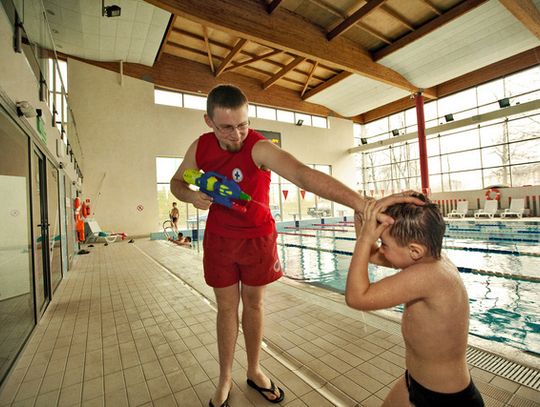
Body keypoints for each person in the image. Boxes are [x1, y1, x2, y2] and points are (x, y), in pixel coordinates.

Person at [170, 84, 422, 407]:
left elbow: (303, 175)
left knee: (255, 305)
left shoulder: (257, 147)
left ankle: (254, 369)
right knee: (226, 308)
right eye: (227, 128)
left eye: (243, 124)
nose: (237, 134)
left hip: (257, 239)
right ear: (209, 122)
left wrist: (362, 204)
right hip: (220, 238)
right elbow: (177, 183)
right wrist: (191, 195)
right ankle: (224, 379)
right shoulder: (200, 148)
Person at [345, 194, 484, 407]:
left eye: (384, 243)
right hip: (415, 383)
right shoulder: (428, 260)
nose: (380, 247)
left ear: (414, 251)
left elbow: (357, 297)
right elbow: (372, 255)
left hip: (446, 400)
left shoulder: (429, 276)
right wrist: (361, 217)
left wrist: (365, 239)